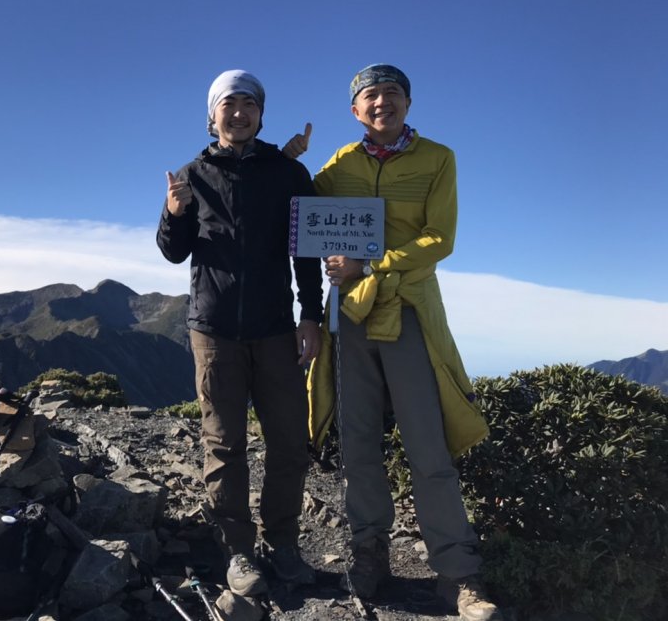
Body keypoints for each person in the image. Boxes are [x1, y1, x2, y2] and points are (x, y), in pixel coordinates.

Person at [284, 64, 502, 621]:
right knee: (358, 447)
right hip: (350, 320)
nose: (381, 103)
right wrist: (281, 164)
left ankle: (458, 576)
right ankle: (368, 556)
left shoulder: (438, 158)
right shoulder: (341, 163)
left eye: (391, 94)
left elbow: (440, 238)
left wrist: (371, 264)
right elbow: (303, 211)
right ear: (355, 110)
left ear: (408, 103)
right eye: (369, 96)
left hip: (407, 312)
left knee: (427, 447)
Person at [157, 69, 323, 596]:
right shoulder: (191, 175)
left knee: (290, 442)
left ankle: (284, 543)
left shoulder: (287, 173)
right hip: (215, 329)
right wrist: (173, 212)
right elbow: (173, 250)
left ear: (260, 114)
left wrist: (311, 316)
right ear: (213, 115)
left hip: (276, 326)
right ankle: (239, 553)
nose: (239, 111)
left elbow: (306, 252)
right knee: (224, 445)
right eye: (229, 103)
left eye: (249, 103)